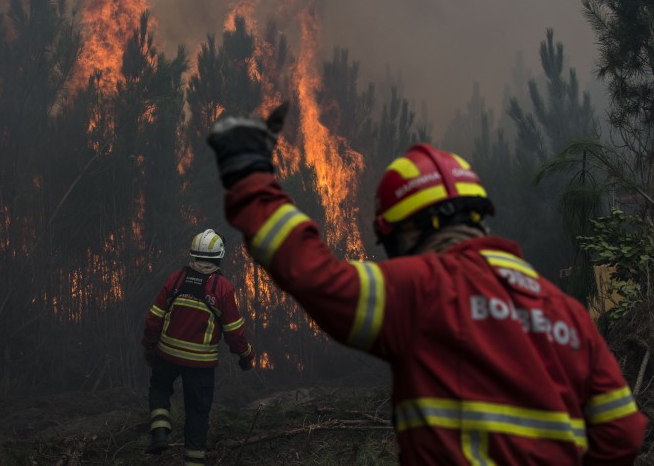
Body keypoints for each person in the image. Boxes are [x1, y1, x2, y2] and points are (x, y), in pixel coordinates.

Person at [205, 104, 647, 464]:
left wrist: (250, 178)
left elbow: (313, 275)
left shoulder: (425, 288)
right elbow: (623, 432)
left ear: (409, 232)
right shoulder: (565, 311)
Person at [142, 228, 256, 464]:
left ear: (194, 254)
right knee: (197, 412)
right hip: (200, 364)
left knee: (160, 388)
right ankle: (193, 461)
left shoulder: (176, 279)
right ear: (219, 256)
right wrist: (246, 355)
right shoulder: (222, 288)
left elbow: (154, 317)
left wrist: (150, 345)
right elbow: (234, 333)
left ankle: (160, 432)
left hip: (167, 354)